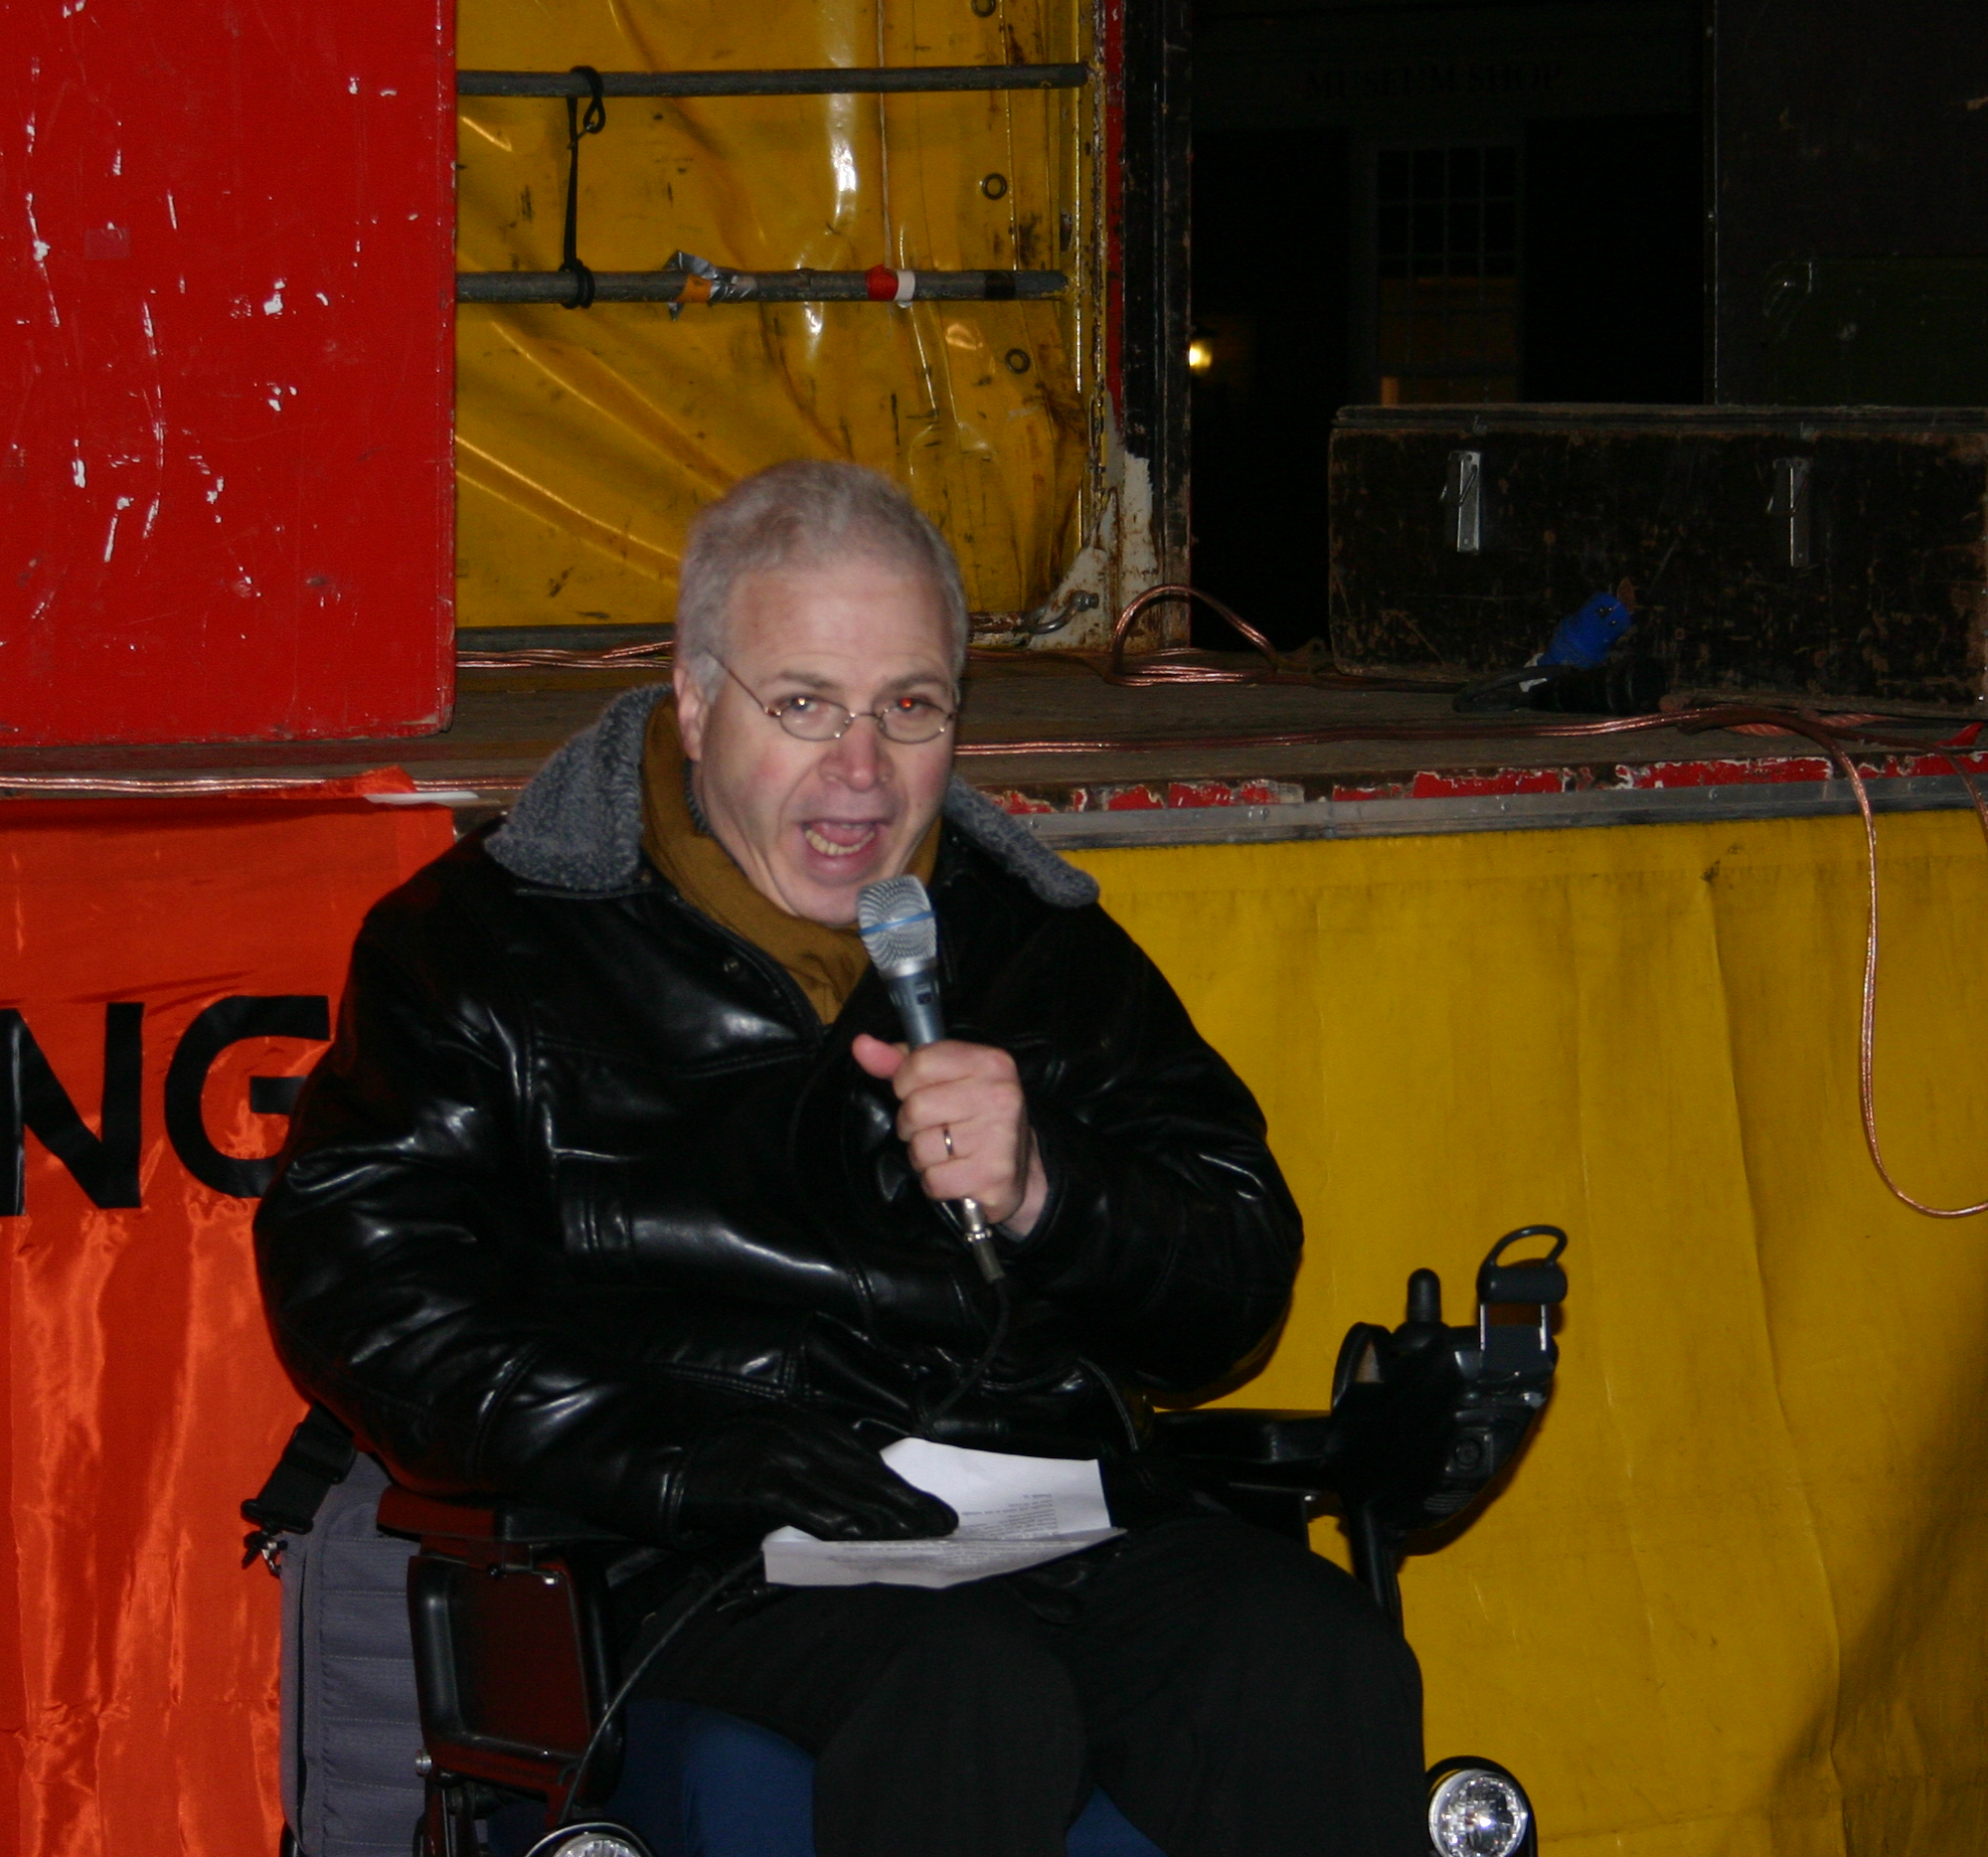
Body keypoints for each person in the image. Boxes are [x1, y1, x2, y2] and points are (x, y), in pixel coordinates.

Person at [255, 461, 1424, 1857]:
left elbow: (1232, 1283)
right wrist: (678, 1456)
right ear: (697, 701)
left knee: (1316, 1658)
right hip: (689, 1544)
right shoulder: (487, 945)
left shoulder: (1034, 946)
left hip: (1032, 1508)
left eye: (910, 708)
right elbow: (366, 1296)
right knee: (967, 1698)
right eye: (804, 705)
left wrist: (1050, 1193)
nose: (862, 774)